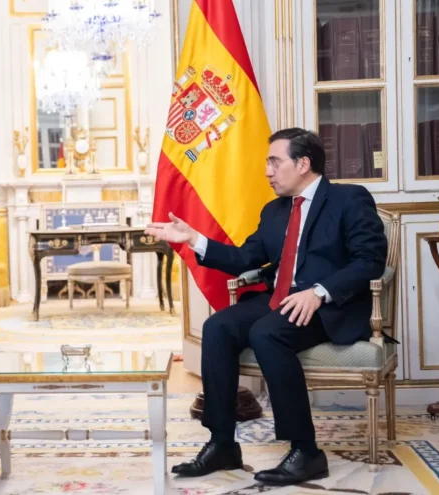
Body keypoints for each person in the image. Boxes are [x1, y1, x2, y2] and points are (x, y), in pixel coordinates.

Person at [145, 127, 387, 486]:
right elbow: (244, 258)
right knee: (218, 327)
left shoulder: (349, 199)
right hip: (279, 300)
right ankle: (222, 443)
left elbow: (370, 260)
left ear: (303, 164)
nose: (267, 171)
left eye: (275, 162)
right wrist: (194, 239)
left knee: (266, 333)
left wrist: (319, 292)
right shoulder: (274, 211)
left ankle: (306, 451)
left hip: (326, 307)